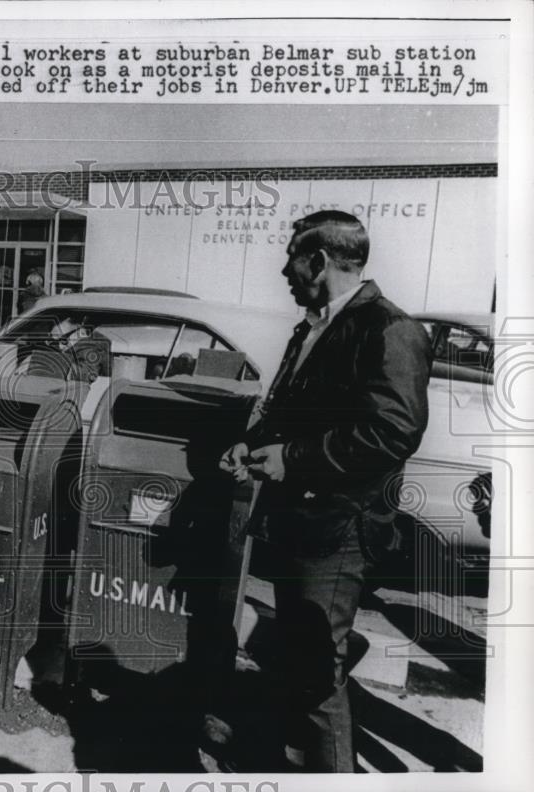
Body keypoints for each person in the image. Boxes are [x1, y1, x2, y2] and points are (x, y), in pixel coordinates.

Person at [219, 210, 432, 772]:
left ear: (318, 261)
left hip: (338, 531)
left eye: (291, 256)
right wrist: (255, 443)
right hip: (302, 524)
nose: (284, 269)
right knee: (298, 660)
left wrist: (293, 459)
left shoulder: (389, 329)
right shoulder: (314, 325)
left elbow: (393, 433)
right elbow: (291, 410)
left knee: (317, 678)